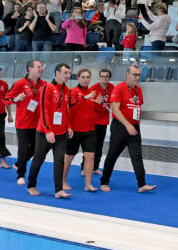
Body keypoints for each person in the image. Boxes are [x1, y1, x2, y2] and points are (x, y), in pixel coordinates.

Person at [100, 65, 156, 193]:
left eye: (138, 75)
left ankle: (142, 184)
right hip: (120, 126)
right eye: (134, 75)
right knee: (112, 155)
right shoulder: (119, 88)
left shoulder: (139, 90)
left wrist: (134, 124)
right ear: (127, 74)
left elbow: (136, 108)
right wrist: (127, 125)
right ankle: (104, 182)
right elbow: (115, 109)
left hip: (134, 126)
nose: (137, 78)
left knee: (137, 155)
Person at [27, 63, 73, 199]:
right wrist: (48, 130)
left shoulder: (67, 90)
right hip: (45, 132)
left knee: (60, 160)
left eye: (69, 73)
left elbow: (65, 111)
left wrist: (69, 126)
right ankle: (31, 185)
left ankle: (58, 190)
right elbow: (43, 110)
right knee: (38, 159)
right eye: (65, 73)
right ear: (57, 73)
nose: (68, 76)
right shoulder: (47, 88)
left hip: (61, 133)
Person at [4, 60, 46, 184]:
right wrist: (15, 99)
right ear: (30, 69)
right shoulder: (19, 84)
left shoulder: (44, 84)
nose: (41, 69)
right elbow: (6, 99)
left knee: (35, 149)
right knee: (22, 149)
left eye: (41, 67)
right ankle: (20, 175)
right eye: (38, 67)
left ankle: (18, 163)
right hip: (23, 123)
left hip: (37, 124)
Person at [62, 68, 103, 193]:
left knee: (90, 156)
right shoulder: (73, 91)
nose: (86, 80)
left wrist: (98, 103)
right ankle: (63, 181)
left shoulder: (93, 92)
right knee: (69, 157)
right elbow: (72, 108)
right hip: (75, 130)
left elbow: (98, 112)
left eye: (88, 77)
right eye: (83, 77)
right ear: (78, 78)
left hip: (90, 130)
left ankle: (88, 184)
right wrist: (85, 98)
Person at [86, 69, 114, 176]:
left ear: (109, 78)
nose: (104, 78)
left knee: (99, 146)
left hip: (103, 121)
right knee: (89, 146)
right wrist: (96, 103)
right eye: (102, 76)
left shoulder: (112, 88)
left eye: (106, 76)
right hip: (93, 121)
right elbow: (87, 104)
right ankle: (84, 168)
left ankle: (95, 167)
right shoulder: (94, 88)